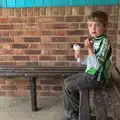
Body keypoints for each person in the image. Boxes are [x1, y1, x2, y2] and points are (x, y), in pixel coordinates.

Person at [62, 10, 112, 120]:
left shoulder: (104, 42)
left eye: (97, 25)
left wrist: (89, 48)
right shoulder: (96, 40)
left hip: (97, 78)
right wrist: (80, 57)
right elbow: (90, 62)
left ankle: (76, 114)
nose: (93, 28)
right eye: (90, 25)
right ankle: (76, 111)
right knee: (66, 82)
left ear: (105, 27)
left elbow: (97, 66)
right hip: (89, 74)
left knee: (69, 87)